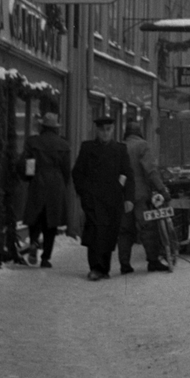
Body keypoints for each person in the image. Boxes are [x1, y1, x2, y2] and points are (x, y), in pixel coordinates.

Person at [71, 111, 135, 280]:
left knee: (109, 233)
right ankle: (95, 268)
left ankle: (104, 268)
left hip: (113, 199)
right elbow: (77, 173)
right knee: (95, 231)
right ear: (97, 131)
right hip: (93, 198)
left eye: (108, 129)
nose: (105, 133)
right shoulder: (88, 148)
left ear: (113, 130)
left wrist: (128, 198)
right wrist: (84, 193)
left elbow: (127, 173)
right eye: (102, 130)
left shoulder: (120, 150)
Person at [117, 118, 173, 273]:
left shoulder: (119, 146)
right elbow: (151, 171)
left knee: (125, 230)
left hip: (123, 195)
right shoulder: (143, 146)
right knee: (148, 228)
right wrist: (162, 190)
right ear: (139, 132)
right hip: (140, 194)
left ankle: (124, 264)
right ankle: (153, 261)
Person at [19, 111, 72, 268]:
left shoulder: (33, 142)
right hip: (56, 184)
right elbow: (66, 169)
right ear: (55, 128)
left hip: (38, 182)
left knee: (35, 217)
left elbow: (26, 163)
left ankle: (34, 241)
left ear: (42, 126)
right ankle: (46, 258)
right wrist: (63, 185)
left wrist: (29, 178)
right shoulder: (63, 144)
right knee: (52, 223)